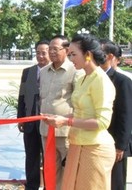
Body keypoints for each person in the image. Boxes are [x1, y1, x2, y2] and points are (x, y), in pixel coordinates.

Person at [44, 34, 115, 190]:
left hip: (94, 149)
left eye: (74, 55)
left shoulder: (101, 80)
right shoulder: (84, 78)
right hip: (78, 145)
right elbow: (81, 113)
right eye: (70, 55)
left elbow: (102, 122)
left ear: (88, 55)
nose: (71, 59)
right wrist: (60, 117)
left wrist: (66, 122)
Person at [39, 35, 78, 190]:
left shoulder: (75, 71)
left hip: (65, 132)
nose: (52, 52)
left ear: (67, 50)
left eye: (56, 49)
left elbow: (78, 102)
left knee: (68, 170)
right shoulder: (43, 71)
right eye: (50, 49)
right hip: (46, 131)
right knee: (50, 170)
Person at [17, 40, 50, 190]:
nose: (41, 56)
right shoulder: (28, 72)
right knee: (31, 156)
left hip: (48, 122)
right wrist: (21, 118)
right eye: (38, 53)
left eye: (44, 53)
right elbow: (22, 96)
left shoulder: (53, 72)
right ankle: (32, 185)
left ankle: (49, 185)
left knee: (49, 158)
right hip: (30, 121)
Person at [100, 39, 132, 190]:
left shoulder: (122, 81)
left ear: (110, 56)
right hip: (96, 141)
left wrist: (121, 146)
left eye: (100, 53)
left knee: (115, 183)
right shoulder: (91, 78)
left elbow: (126, 115)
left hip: (115, 142)